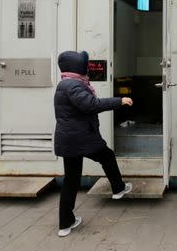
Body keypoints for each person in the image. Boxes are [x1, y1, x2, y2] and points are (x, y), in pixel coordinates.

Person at [54, 50, 133, 237]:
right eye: (84, 65)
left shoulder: (65, 84)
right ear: (77, 67)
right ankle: (118, 188)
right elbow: (92, 104)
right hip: (81, 138)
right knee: (107, 156)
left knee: (71, 180)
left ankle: (65, 224)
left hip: (69, 140)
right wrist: (120, 101)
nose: (87, 68)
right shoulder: (73, 86)